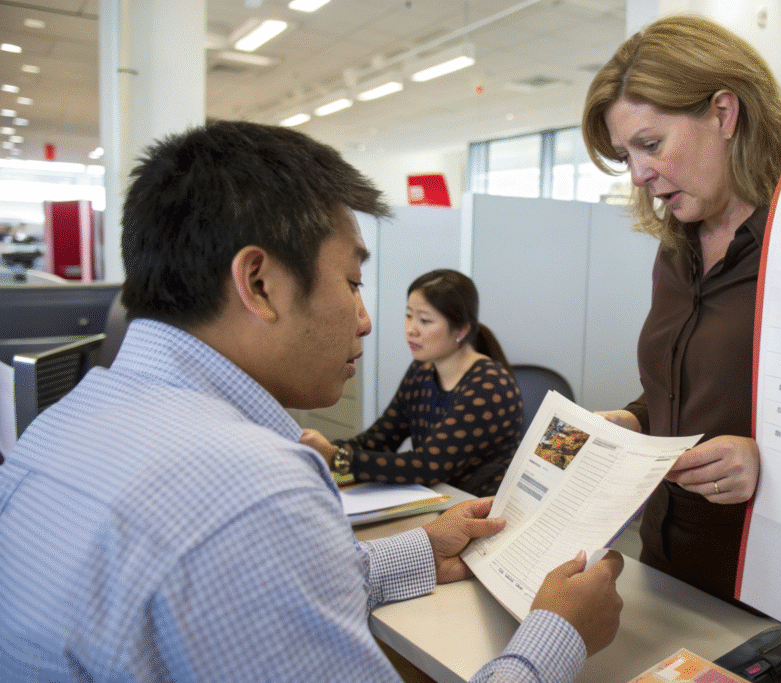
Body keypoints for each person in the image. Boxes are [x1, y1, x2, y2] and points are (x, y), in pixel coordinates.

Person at [0, 120, 624, 683]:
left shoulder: (62, 423)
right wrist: (558, 635)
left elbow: (246, 590)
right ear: (259, 284)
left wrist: (420, 549)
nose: (366, 320)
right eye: (352, 283)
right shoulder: (254, 489)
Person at [580, 14, 781, 602]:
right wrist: (636, 419)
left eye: (650, 145)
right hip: (666, 554)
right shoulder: (676, 249)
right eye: (626, 155)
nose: (639, 175)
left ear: (724, 113)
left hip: (767, 574)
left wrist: (771, 462)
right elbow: (689, 385)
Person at [324, 268, 523, 496]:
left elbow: (428, 466)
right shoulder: (421, 371)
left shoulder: (489, 386)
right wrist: (320, 452)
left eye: (425, 320)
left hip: (479, 506)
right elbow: (379, 440)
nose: (411, 330)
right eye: (409, 315)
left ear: (461, 329)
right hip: (437, 499)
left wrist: (338, 458)